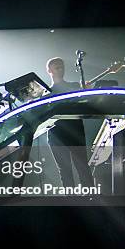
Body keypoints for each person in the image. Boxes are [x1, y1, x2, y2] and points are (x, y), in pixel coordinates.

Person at [45, 57, 94, 188]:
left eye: (62, 66)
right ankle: (71, 202)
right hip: (56, 134)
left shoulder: (74, 86)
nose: (61, 69)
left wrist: (87, 91)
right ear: (49, 70)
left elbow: (86, 103)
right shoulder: (46, 93)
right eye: (57, 67)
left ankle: (91, 198)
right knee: (65, 171)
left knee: (83, 166)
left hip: (75, 131)